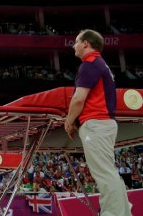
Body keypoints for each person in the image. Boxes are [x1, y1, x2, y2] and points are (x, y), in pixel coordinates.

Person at [64, 29, 131, 216]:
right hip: (104, 123)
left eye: (76, 41)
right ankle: (123, 213)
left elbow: (78, 99)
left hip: (96, 123)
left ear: (86, 43)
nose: (74, 45)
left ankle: (113, 213)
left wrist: (69, 121)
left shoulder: (90, 64)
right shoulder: (101, 64)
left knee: (104, 174)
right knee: (109, 173)